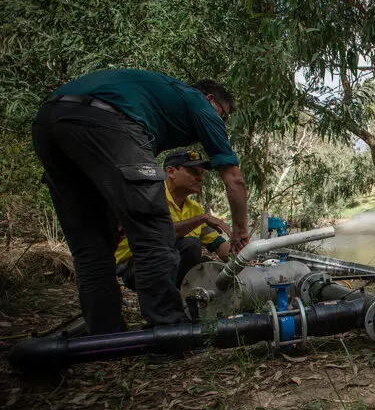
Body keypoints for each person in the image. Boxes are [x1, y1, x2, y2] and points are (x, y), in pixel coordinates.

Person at [32, 69, 250, 335]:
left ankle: (106, 336)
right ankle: (169, 329)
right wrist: (241, 230)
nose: (221, 122)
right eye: (223, 115)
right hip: (104, 120)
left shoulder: (155, 101)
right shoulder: (197, 102)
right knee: (154, 234)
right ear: (210, 99)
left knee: (92, 245)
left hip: (47, 123)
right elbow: (234, 179)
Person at [116, 149, 232, 291]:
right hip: (138, 266)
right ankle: (174, 299)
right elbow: (164, 233)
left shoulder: (194, 208)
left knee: (210, 267)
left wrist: (240, 258)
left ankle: (192, 299)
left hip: (172, 264)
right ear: (171, 172)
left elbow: (216, 243)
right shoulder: (149, 197)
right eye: (194, 172)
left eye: (202, 174)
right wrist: (203, 218)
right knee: (190, 245)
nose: (201, 179)